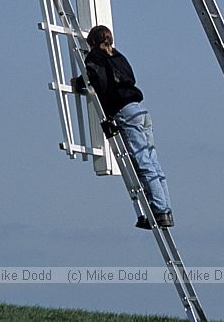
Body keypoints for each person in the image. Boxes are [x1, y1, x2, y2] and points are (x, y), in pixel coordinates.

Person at [73, 25, 174, 229]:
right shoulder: (118, 56)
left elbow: (100, 83)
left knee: (142, 163)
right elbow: (126, 79)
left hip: (125, 111)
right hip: (141, 111)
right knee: (152, 162)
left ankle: (160, 211)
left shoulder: (95, 58)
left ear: (92, 41)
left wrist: (80, 83)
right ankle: (165, 210)